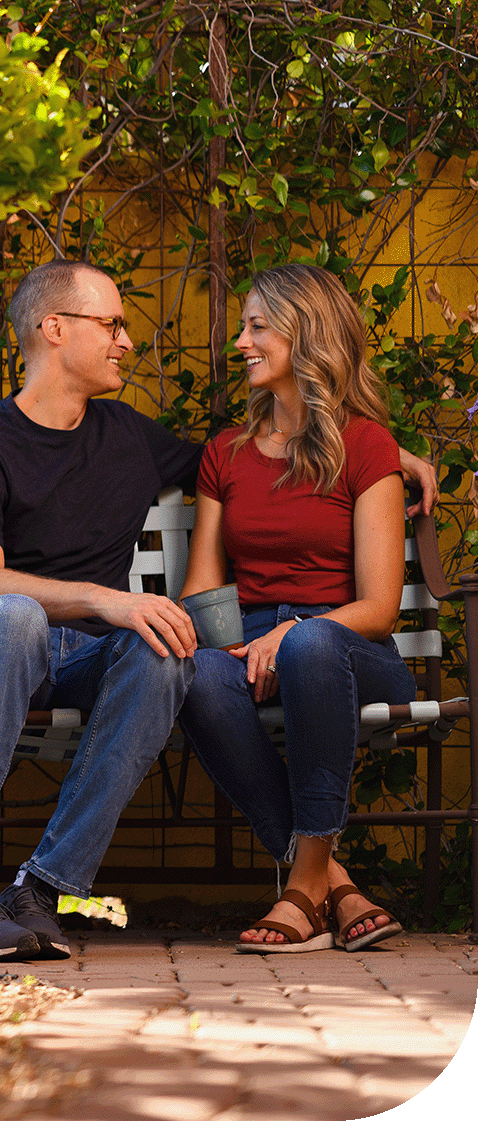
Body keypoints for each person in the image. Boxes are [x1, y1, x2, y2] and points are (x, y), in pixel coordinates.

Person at [0, 259, 438, 962]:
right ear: (55, 329)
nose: (128, 340)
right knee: (16, 617)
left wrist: (381, 451)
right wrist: (109, 599)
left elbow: (264, 464)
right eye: (113, 324)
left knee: (169, 653)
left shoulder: (127, 437)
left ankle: (43, 888)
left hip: (89, 661)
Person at [177, 264, 418, 953]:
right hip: (253, 643)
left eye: (258, 327)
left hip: (348, 647)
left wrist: (293, 630)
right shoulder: (226, 452)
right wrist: (227, 645)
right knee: (195, 672)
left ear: (305, 335)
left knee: (311, 645)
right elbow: (203, 586)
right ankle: (331, 882)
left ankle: (302, 884)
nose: (243, 342)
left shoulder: (368, 445)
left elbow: (378, 607)